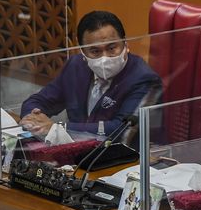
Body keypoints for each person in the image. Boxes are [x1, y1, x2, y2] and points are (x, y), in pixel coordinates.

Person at [20, 11, 162, 137]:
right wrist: (32, 118)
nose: (105, 57)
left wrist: (58, 128)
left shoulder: (143, 78)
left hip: (123, 159)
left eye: (112, 48)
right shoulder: (76, 67)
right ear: (83, 53)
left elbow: (122, 129)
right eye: (95, 51)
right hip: (75, 154)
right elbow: (39, 101)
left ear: (125, 44)